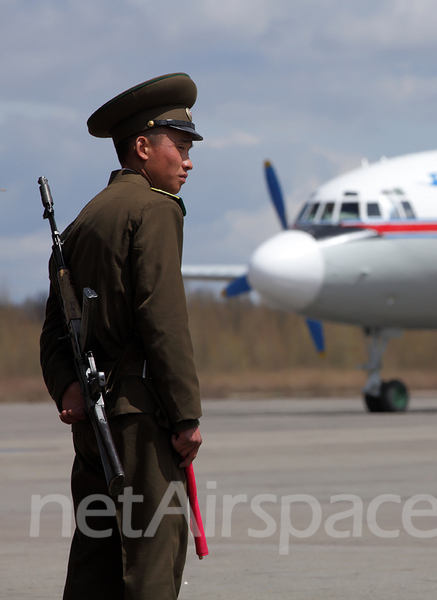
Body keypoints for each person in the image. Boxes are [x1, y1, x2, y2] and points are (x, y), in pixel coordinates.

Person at [40, 73, 205, 599]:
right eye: (178, 147)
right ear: (142, 147)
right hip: (138, 421)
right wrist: (185, 415)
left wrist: (67, 385)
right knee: (152, 559)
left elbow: (52, 327)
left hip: (93, 423)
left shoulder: (82, 221)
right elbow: (163, 317)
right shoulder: (154, 209)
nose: (187, 161)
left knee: (95, 563)